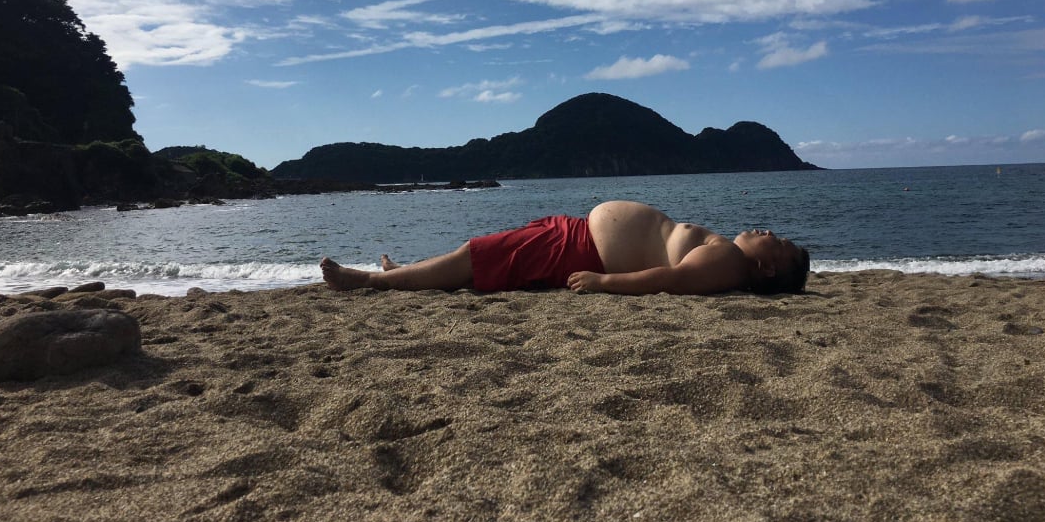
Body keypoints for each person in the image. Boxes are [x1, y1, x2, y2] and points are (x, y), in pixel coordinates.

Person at [320, 200, 810, 296]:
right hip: (576, 237)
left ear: (768, 269)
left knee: (479, 255)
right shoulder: (727, 257)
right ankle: (406, 271)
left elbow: (670, 280)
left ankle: (370, 280)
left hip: (582, 252)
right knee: (483, 255)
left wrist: (604, 283)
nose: (768, 231)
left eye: (778, 242)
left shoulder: (727, 261)